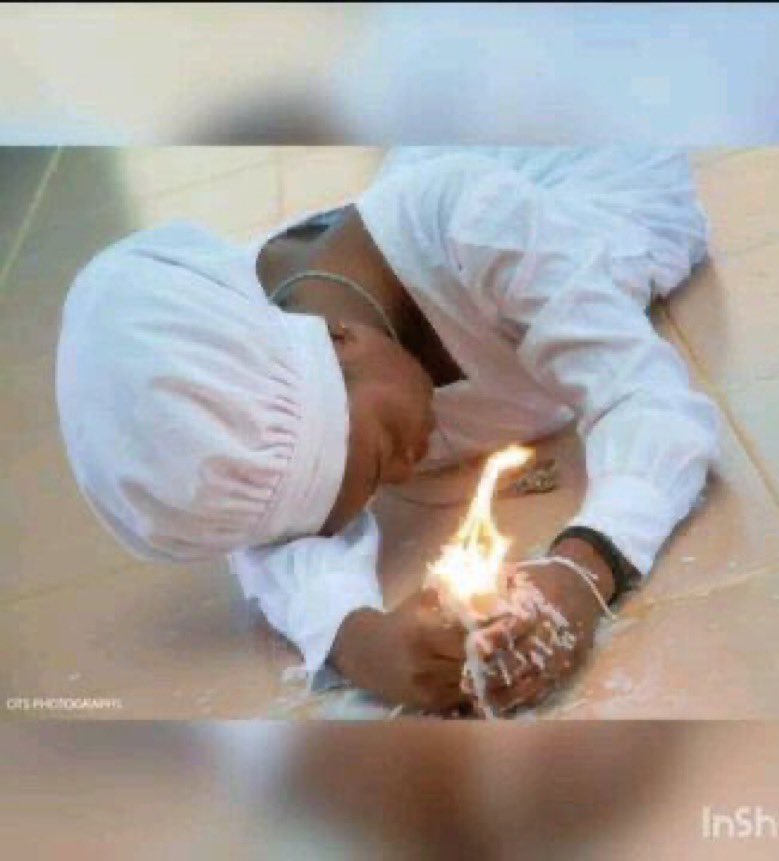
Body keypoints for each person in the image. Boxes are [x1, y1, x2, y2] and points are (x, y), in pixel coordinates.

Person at [56, 147, 719, 715]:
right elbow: (271, 539)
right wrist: (363, 643)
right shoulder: (252, 393)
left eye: (376, 461)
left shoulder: (481, 230)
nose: (404, 474)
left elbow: (648, 400)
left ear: (337, 338)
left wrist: (583, 568)